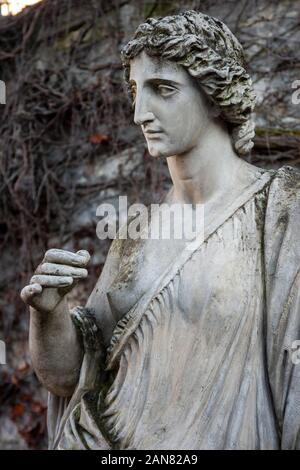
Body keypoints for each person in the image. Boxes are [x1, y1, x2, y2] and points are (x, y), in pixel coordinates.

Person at [21, 10, 300, 450]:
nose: (139, 113)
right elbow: (71, 376)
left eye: (163, 89)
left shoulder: (281, 208)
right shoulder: (135, 232)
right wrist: (48, 316)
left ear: (215, 95)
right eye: (135, 90)